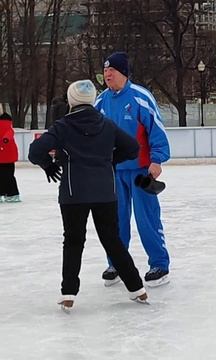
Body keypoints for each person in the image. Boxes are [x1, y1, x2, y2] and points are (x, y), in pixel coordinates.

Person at [28, 80, 148, 312]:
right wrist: (110, 162)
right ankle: (137, 288)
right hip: (105, 191)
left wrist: (48, 165)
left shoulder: (62, 126)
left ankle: (68, 292)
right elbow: (132, 147)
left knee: (73, 241)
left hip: (74, 193)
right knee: (112, 240)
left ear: (72, 100)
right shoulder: (107, 124)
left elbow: (35, 151)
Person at [94, 52, 171, 287]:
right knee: (114, 220)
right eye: (105, 71)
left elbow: (156, 130)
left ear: (123, 73)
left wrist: (156, 160)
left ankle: (159, 264)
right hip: (113, 171)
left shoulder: (140, 97)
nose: (107, 75)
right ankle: (116, 262)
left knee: (146, 218)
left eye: (112, 71)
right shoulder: (101, 101)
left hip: (140, 171)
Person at [0, 112, 20, 202]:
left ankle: (2, 193)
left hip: (2, 157)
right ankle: (12, 193)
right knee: (9, 176)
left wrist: (5, 140)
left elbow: (8, 136)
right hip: (9, 158)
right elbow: (9, 135)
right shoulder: (9, 128)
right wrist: (5, 140)